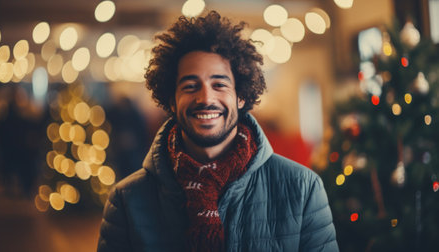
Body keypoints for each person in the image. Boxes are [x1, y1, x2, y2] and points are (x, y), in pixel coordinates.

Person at [97, 11, 338, 252]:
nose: (205, 98)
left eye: (219, 84)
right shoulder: (127, 201)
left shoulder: (303, 188)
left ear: (241, 96)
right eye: (190, 86)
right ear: (171, 100)